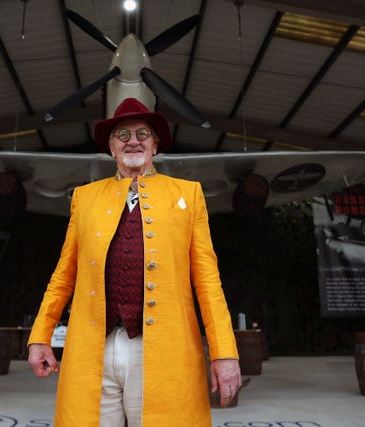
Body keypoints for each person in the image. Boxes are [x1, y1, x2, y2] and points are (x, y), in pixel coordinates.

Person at [27, 97, 241, 427]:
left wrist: (224, 352)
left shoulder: (189, 194)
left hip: (163, 351)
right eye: (122, 135)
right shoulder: (84, 198)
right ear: (111, 149)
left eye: (143, 133)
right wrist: (41, 335)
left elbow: (208, 280)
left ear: (155, 146)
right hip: (93, 349)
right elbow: (64, 274)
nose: (133, 141)